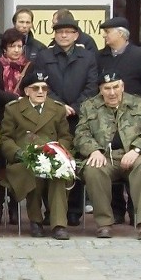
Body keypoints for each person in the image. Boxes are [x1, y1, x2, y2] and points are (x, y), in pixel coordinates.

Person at [74, 71, 141, 240]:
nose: (112, 92)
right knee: (93, 169)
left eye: (116, 87)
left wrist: (136, 150)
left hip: (135, 155)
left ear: (122, 86)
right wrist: (94, 150)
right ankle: (104, 223)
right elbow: (81, 134)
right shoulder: (89, 106)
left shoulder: (138, 103)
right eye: (107, 88)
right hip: (105, 156)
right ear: (100, 89)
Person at [33, 16, 98, 227]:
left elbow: (92, 86)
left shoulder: (87, 57)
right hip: (52, 116)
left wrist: (76, 107)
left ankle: (74, 211)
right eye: (60, 31)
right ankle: (51, 211)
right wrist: (58, 105)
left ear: (76, 35)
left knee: (75, 164)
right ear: (54, 34)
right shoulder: (44, 56)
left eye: (68, 32)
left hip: (80, 118)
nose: (63, 35)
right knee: (51, 161)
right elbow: (40, 83)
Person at [97, 16, 141, 225]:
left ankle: (136, 211)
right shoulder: (100, 56)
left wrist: (138, 110)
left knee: (135, 163)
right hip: (107, 117)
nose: (105, 35)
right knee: (111, 158)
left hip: (134, 118)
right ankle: (116, 210)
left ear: (121, 33)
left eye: (108, 31)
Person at [0, 72, 73, 240]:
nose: (41, 92)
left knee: (59, 174)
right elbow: (5, 138)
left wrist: (58, 151)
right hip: (24, 158)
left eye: (44, 88)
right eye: (36, 88)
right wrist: (18, 153)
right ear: (26, 91)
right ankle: (35, 221)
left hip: (52, 155)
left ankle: (59, 224)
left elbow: (66, 136)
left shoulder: (57, 108)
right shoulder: (14, 109)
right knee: (31, 171)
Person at [0, 28, 30, 226]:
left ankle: (13, 207)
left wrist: (22, 100)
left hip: (22, 121)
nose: (16, 50)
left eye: (19, 46)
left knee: (16, 162)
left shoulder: (28, 67)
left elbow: (34, 89)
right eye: (12, 46)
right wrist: (15, 98)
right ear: (4, 48)